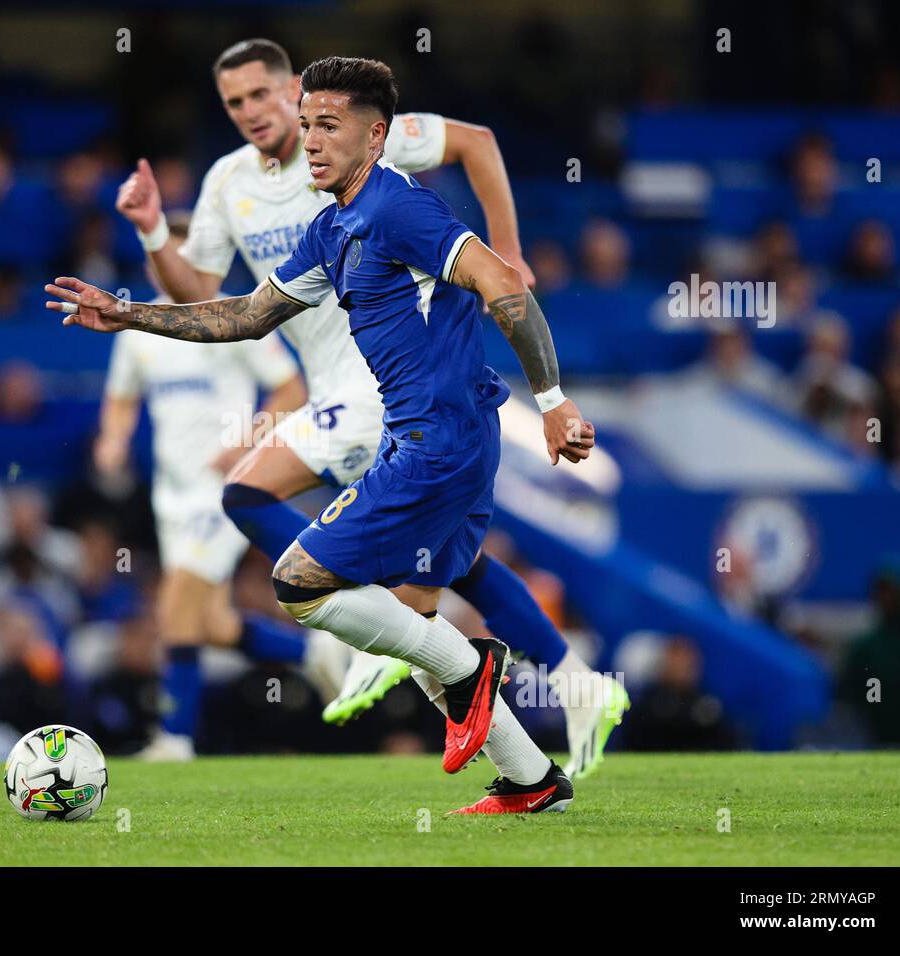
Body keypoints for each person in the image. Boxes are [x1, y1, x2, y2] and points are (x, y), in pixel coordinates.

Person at [48, 56, 597, 813]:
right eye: (306, 123)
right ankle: (535, 780)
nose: (310, 140)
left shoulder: (399, 208)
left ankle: (477, 670)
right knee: (415, 618)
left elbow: (502, 282)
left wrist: (556, 401)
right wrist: (129, 312)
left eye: (328, 126)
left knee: (299, 583)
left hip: (437, 443)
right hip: (439, 441)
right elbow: (242, 315)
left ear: (377, 138)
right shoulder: (331, 227)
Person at [95, 219, 344, 761]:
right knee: (210, 623)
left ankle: (175, 739)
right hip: (172, 494)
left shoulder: (232, 317)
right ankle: (312, 651)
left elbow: (290, 387)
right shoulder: (139, 330)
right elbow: (121, 398)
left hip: (224, 489)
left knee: (176, 603)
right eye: (160, 255)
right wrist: (113, 439)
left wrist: (249, 443)